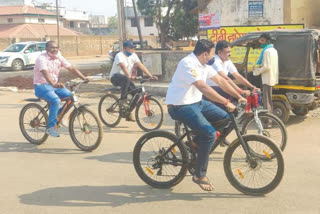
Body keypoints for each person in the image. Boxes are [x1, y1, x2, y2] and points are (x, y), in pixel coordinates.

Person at [166, 39, 246, 191]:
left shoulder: (204, 64)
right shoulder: (187, 63)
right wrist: (226, 102)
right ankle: (199, 175)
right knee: (209, 134)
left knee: (226, 119)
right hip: (180, 105)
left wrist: (239, 95)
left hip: (196, 102)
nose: (213, 57)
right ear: (204, 54)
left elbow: (221, 81)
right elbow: (203, 87)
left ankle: (195, 143)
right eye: (211, 54)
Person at [33, 41, 89, 137]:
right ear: (46, 49)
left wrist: (83, 78)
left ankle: (59, 115)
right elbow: (45, 73)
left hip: (54, 85)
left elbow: (71, 68)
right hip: (41, 86)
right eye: (52, 48)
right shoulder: (41, 58)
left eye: (56, 47)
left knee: (71, 97)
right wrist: (53, 84)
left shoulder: (59, 56)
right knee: (55, 100)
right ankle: (50, 128)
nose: (55, 49)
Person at [109, 40, 158, 121]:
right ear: (125, 48)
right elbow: (122, 66)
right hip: (115, 77)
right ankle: (123, 101)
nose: (132, 50)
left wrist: (150, 75)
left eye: (133, 48)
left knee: (137, 94)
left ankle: (127, 112)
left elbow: (141, 66)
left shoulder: (134, 55)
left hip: (126, 79)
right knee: (126, 78)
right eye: (130, 48)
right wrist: (129, 75)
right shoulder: (119, 55)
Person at [207, 40, 259, 109]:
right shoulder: (215, 61)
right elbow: (226, 79)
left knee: (239, 101)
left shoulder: (227, 60)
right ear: (219, 52)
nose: (230, 54)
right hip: (213, 88)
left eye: (230, 51)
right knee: (232, 101)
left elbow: (238, 76)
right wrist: (240, 91)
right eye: (228, 52)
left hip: (222, 86)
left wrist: (252, 87)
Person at [252, 33, 279, 115]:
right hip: (272, 78)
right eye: (260, 40)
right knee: (268, 100)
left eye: (262, 40)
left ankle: (268, 121)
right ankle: (269, 119)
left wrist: (256, 71)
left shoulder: (267, 51)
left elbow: (267, 67)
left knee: (266, 101)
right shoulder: (274, 50)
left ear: (267, 41)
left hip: (267, 79)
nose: (261, 42)